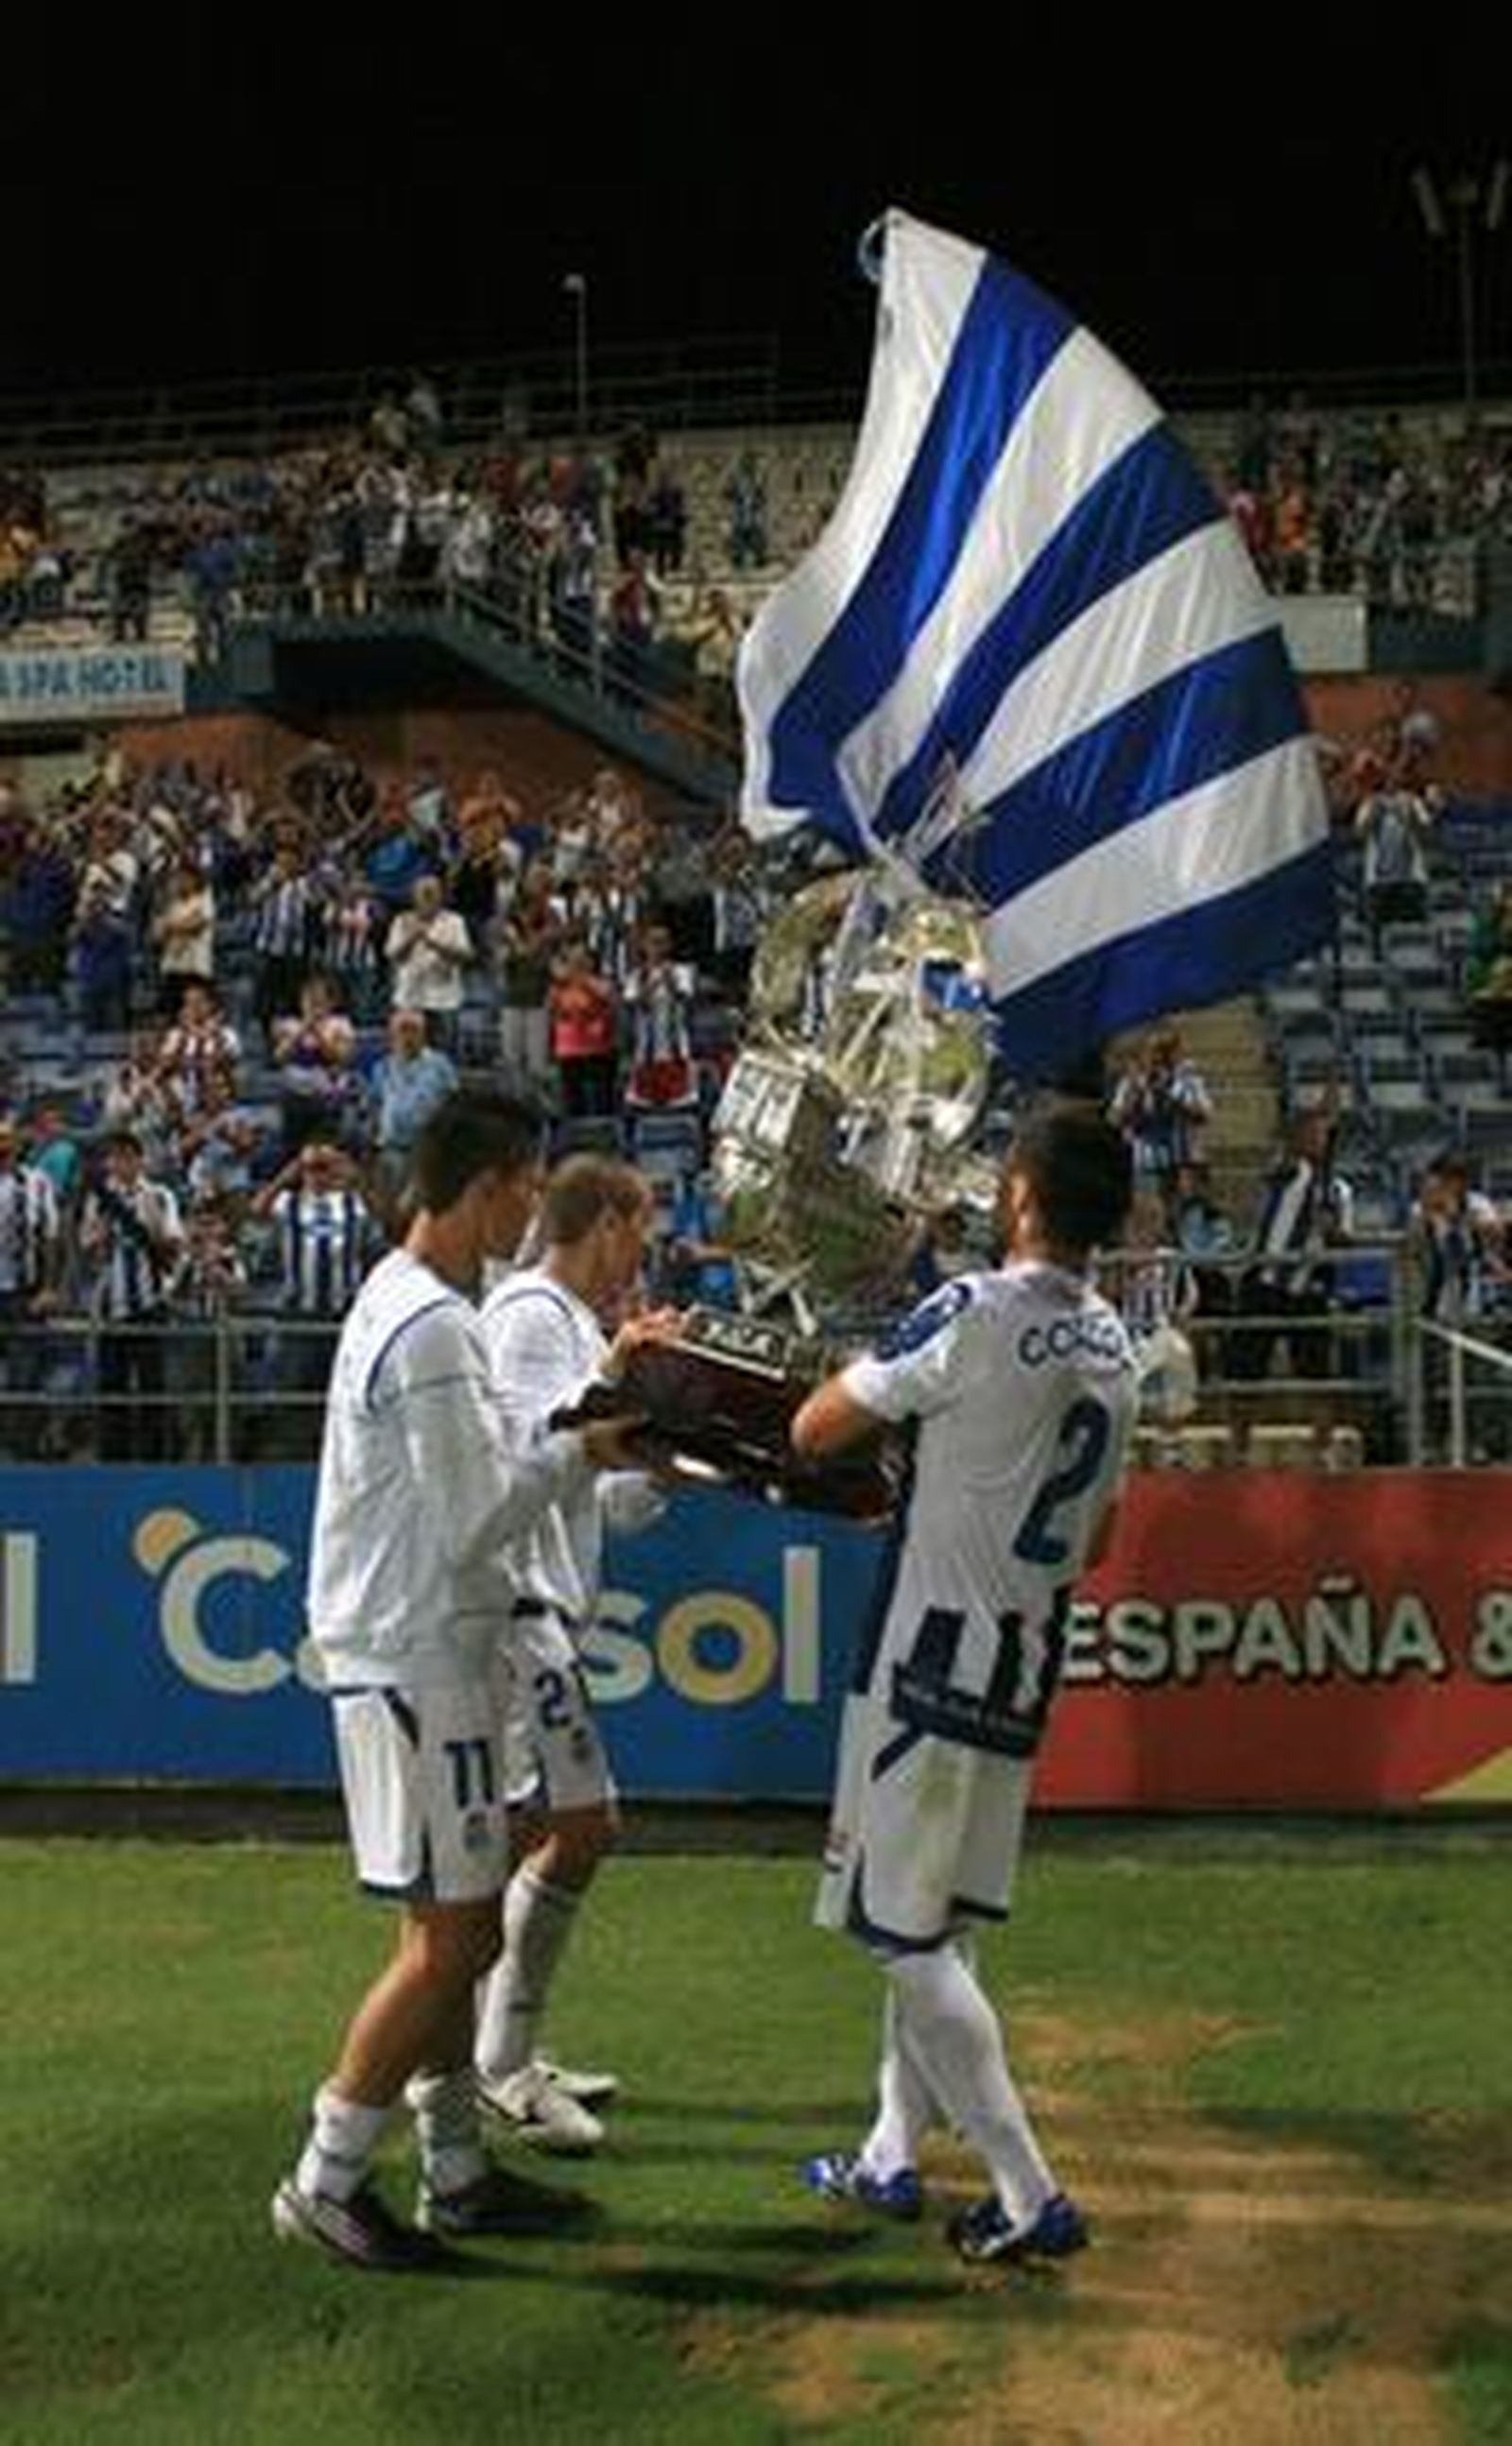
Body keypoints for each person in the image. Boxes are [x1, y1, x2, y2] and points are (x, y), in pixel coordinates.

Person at [272, 1090, 648, 2273]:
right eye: (525, 1187)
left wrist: (584, 1428)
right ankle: (325, 2178)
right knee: (450, 1938)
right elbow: (475, 1519)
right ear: (486, 1184)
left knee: (451, 1925)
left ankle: (455, 2168)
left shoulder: (421, 1307)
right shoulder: (432, 1326)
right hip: (416, 1656)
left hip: (430, 1652)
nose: (532, 1208)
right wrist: (580, 1445)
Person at [791, 1106, 1137, 2266]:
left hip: (926, 1660)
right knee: (936, 1918)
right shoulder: (1117, 1345)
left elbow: (816, 1423)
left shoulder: (973, 1311)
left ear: (1025, 1197)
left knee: (901, 1935)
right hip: (1024, 1661)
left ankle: (1028, 2190)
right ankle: (891, 2150)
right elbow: (1095, 1540)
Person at [474, 1156, 676, 2150]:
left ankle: (497, 2058)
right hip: (514, 1614)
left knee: (557, 1830)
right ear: (602, 1221)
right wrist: (611, 1382)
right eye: (639, 1228)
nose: (642, 1252)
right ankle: (488, 2068)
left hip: (544, 1614)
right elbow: (517, 1456)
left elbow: (595, 1497)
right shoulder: (524, 1313)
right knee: (556, 1829)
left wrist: (665, 1458)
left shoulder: (570, 1327)